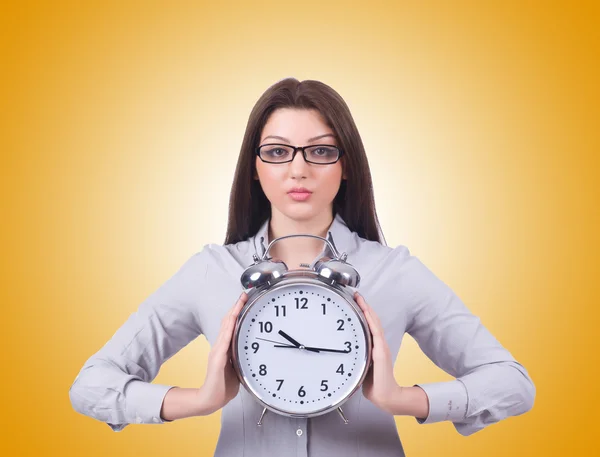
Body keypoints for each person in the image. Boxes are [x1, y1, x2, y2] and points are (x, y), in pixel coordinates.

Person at [69, 78, 536, 456]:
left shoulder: (395, 272)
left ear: (345, 163)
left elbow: (513, 384)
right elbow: (91, 384)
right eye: (277, 151)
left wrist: (403, 399)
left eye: (320, 150)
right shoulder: (211, 271)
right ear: (254, 168)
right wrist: (197, 401)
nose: (298, 170)